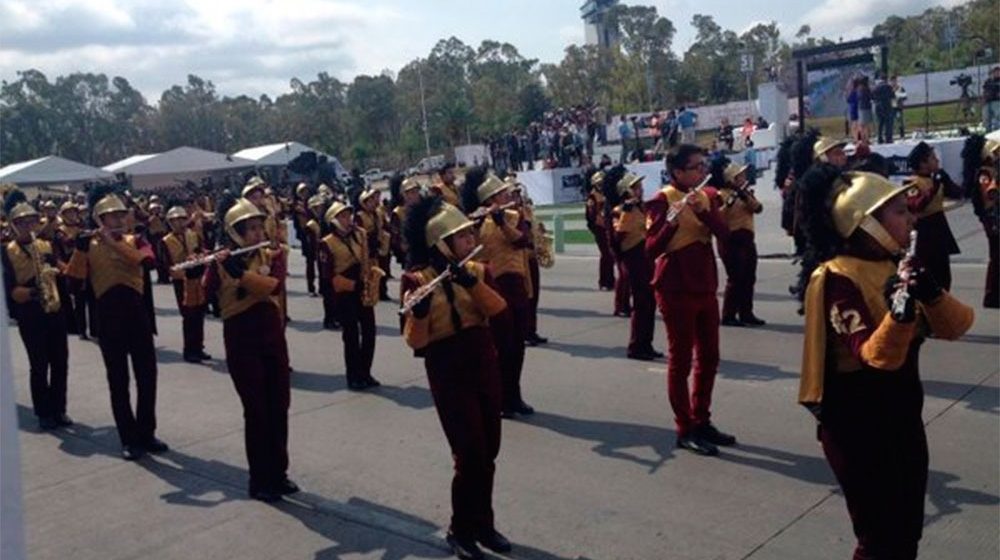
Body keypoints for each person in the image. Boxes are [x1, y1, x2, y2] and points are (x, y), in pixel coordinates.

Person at [795, 166, 974, 560]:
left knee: (907, 533)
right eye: (897, 212)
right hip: (857, 425)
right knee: (880, 540)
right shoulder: (836, 278)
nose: (910, 217)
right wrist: (901, 311)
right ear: (865, 223)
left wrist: (928, 292)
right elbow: (875, 357)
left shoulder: (894, 265)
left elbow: (958, 326)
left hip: (902, 416)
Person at [400, 197, 512, 560]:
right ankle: (460, 529)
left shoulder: (477, 270)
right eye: (460, 236)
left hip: (482, 360)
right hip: (447, 368)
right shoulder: (416, 279)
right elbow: (415, 342)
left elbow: (500, 312)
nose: (469, 240)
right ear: (441, 244)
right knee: (469, 454)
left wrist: (470, 282)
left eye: (468, 234)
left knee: (489, 451)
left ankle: (484, 523)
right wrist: (417, 313)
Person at [203, 194, 296, 502]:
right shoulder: (222, 260)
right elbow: (205, 292)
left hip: (271, 334)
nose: (258, 234)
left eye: (259, 226)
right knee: (256, 410)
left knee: (279, 404)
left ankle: (279, 473)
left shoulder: (274, 254)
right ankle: (260, 479)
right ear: (234, 233)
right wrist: (212, 265)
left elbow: (274, 286)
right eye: (250, 229)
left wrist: (240, 273)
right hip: (241, 337)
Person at [645, 145, 733, 456]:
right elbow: (651, 248)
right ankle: (685, 428)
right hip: (675, 285)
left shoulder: (706, 197)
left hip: (704, 283)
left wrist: (703, 211)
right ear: (678, 172)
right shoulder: (661, 199)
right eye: (695, 166)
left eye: (702, 165)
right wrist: (671, 221)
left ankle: (702, 418)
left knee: (709, 356)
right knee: (680, 359)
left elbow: (725, 234)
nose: (700, 171)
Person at [66, 185, 165, 461]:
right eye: (112, 216)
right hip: (108, 321)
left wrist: (111, 241)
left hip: (138, 317)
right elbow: (73, 284)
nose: (120, 220)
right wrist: (78, 252)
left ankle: (147, 432)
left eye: (122, 214)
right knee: (118, 380)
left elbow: (145, 263)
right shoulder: (89, 245)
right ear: (99, 219)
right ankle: (128, 437)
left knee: (148, 377)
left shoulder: (138, 240)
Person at [460, 167, 534, 418]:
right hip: (492, 285)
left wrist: (501, 221)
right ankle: (499, 396)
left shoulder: (514, 216)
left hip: (516, 284)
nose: (506, 197)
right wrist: (478, 222)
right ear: (489, 200)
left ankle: (514, 394)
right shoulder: (473, 222)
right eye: (501, 194)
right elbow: (468, 250)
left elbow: (522, 241)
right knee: (500, 346)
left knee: (517, 343)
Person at [2, 190, 71, 430]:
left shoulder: (45, 244)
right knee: (39, 363)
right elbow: (9, 290)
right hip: (29, 311)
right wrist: (33, 291)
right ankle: (43, 412)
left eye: (32, 221)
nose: (28, 226)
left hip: (53, 308)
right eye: (22, 223)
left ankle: (59, 408)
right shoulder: (6, 251)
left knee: (61, 361)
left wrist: (64, 269)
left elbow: (58, 266)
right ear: (13, 225)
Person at [318, 200, 381, 391]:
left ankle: (366, 371)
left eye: (348, 215)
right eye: (342, 217)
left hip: (362, 288)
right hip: (344, 293)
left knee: (370, 331)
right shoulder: (326, 243)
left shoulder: (359, 235)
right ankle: (353, 375)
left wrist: (369, 278)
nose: (347, 220)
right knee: (351, 335)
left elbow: (366, 259)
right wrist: (355, 285)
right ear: (332, 220)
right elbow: (328, 276)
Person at [601, 165, 661, 362]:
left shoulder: (639, 208)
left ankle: (647, 343)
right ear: (626, 191)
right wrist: (626, 212)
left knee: (650, 302)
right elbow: (617, 239)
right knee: (641, 302)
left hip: (645, 256)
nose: (640, 189)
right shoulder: (619, 211)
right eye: (636, 187)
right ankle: (636, 346)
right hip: (633, 258)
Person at [905, 142, 962, 290]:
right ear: (923, 163)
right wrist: (935, 186)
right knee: (929, 275)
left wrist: (946, 180)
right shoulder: (912, 183)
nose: (936, 160)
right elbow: (916, 206)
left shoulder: (936, 178)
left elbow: (958, 193)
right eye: (932, 158)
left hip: (939, 228)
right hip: (924, 232)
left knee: (944, 275)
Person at [718, 162, 765, 327]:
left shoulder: (746, 193)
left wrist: (745, 196)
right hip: (731, 239)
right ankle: (728, 315)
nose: (743, 179)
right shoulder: (721, 195)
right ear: (731, 178)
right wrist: (728, 203)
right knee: (736, 277)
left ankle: (746, 312)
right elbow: (718, 218)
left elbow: (758, 208)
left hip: (747, 238)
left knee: (749, 277)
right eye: (739, 176)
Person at [162, 206, 210, 364]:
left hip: (197, 277)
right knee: (188, 315)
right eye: (174, 221)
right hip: (181, 280)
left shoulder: (193, 235)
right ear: (169, 222)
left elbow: (201, 250)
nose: (179, 223)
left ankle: (199, 347)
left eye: (181, 219)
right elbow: (166, 264)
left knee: (199, 313)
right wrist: (183, 267)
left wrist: (200, 255)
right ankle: (189, 350)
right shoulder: (166, 241)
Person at [961, 136, 999, 308]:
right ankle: (991, 295)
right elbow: (989, 196)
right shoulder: (984, 173)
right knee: (996, 257)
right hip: (992, 218)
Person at [584, 169, 616, 291]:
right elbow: (590, 216)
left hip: (607, 226)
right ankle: (604, 281)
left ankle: (610, 280)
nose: (601, 185)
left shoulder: (606, 194)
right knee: (606, 254)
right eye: (599, 183)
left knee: (610, 254)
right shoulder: (592, 197)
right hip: (599, 228)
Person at [872, 74, 896, 144]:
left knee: (880, 123)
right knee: (888, 123)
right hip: (887, 106)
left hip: (878, 107)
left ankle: (879, 139)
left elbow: (872, 97)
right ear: (886, 79)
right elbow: (893, 96)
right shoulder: (888, 87)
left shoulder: (875, 87)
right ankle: (888, 139)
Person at [983, 66, 1000, 132]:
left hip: (997, 101)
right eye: (995, 72)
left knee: (997, 117)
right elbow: (985, 90)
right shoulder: (988, 81)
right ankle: (988, 131)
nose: (997, 73)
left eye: (998, 72)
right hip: (988, 102)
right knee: (986, 118)